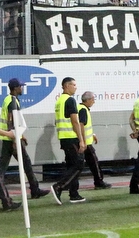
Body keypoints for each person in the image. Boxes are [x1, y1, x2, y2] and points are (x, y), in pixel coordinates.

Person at [0, 80, 49, 201]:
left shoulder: (8, 99)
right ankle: (35, 190)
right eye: (21, 87)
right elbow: (12, 121)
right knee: (26, 163)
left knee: (3, 166)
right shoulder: (12, 101)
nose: (22, 88)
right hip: (11, 138)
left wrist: (21, 136)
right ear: (16, 88)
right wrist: (16, 139)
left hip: (8, 138)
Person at [50, 77, 86, 205]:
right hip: (71, 137)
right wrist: (81, 140)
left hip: (63, 137)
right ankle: (59, 186)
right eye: (74, 85)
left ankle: (74, 194)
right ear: (66, 86)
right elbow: (75, 121)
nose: (76, 87)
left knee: (71, 165)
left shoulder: (59, 101)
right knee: (78, 164)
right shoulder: (70, 100)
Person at [78, 92, 111, 190]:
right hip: (86, 143)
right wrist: (83, 141)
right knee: (94, 163)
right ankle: (99, 182)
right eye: (93, 99)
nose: (94, 102)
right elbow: (81, 125)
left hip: (85, 141)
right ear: (87, 100)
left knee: (78, 164)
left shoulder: (80, 108)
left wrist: (92, 135)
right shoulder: (83, 110)